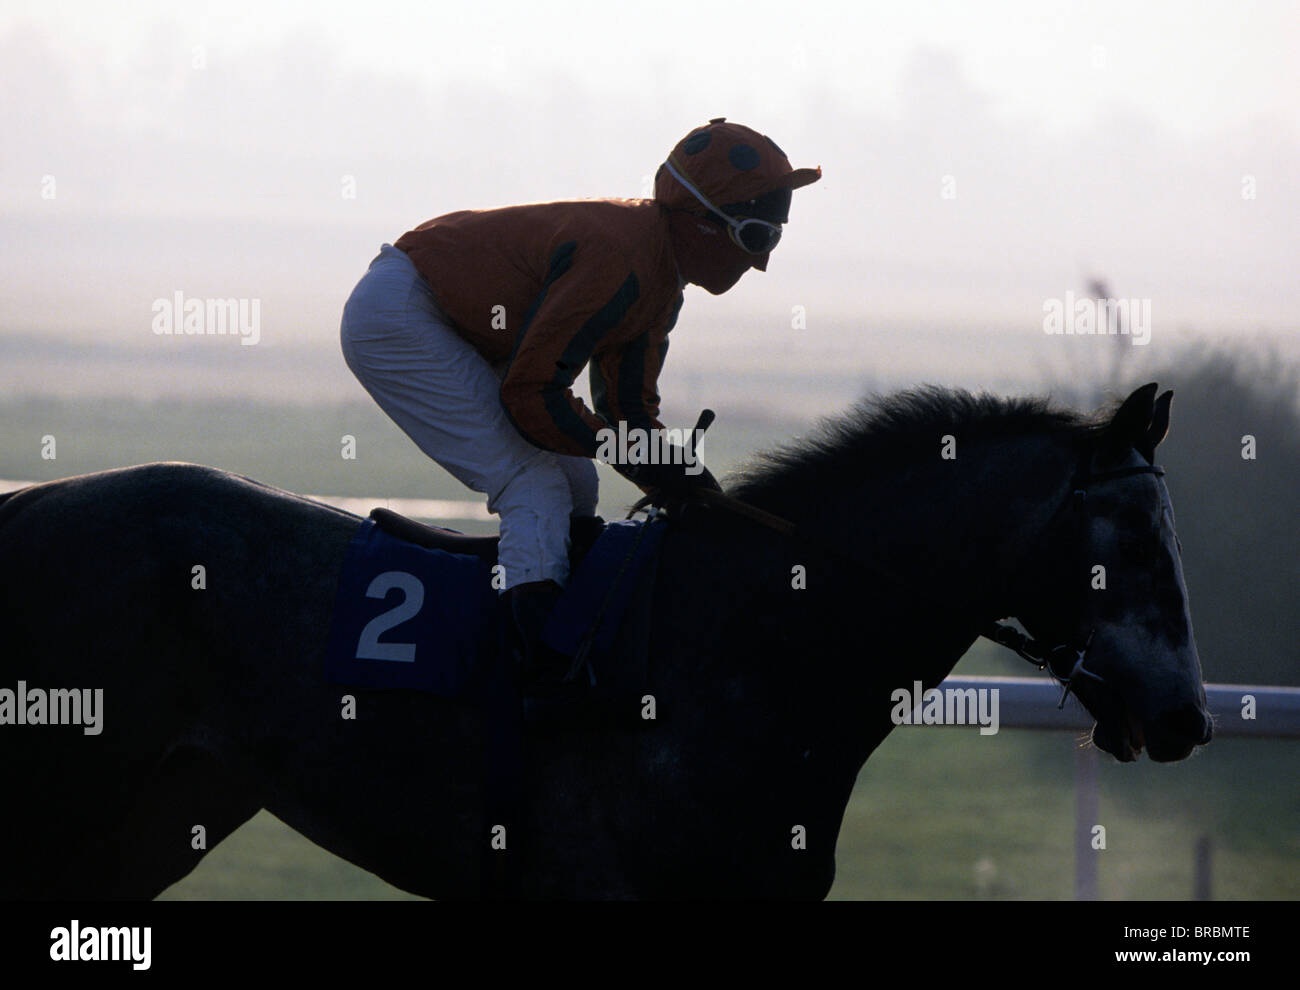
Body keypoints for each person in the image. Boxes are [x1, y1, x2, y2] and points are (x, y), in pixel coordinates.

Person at [339, 117, 820, 693]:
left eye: (774, 239)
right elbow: (532, 396)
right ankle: (542, 672)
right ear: (702, 222)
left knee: (578, 486)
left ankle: (537, 624)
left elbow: (625, 412)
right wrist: (646, 460)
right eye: (756, 237)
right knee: (533, 484)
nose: (761, 263)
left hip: (462, 322)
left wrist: (684, 479)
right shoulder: (620, 258)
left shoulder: (661, 279)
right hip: (401, 313)